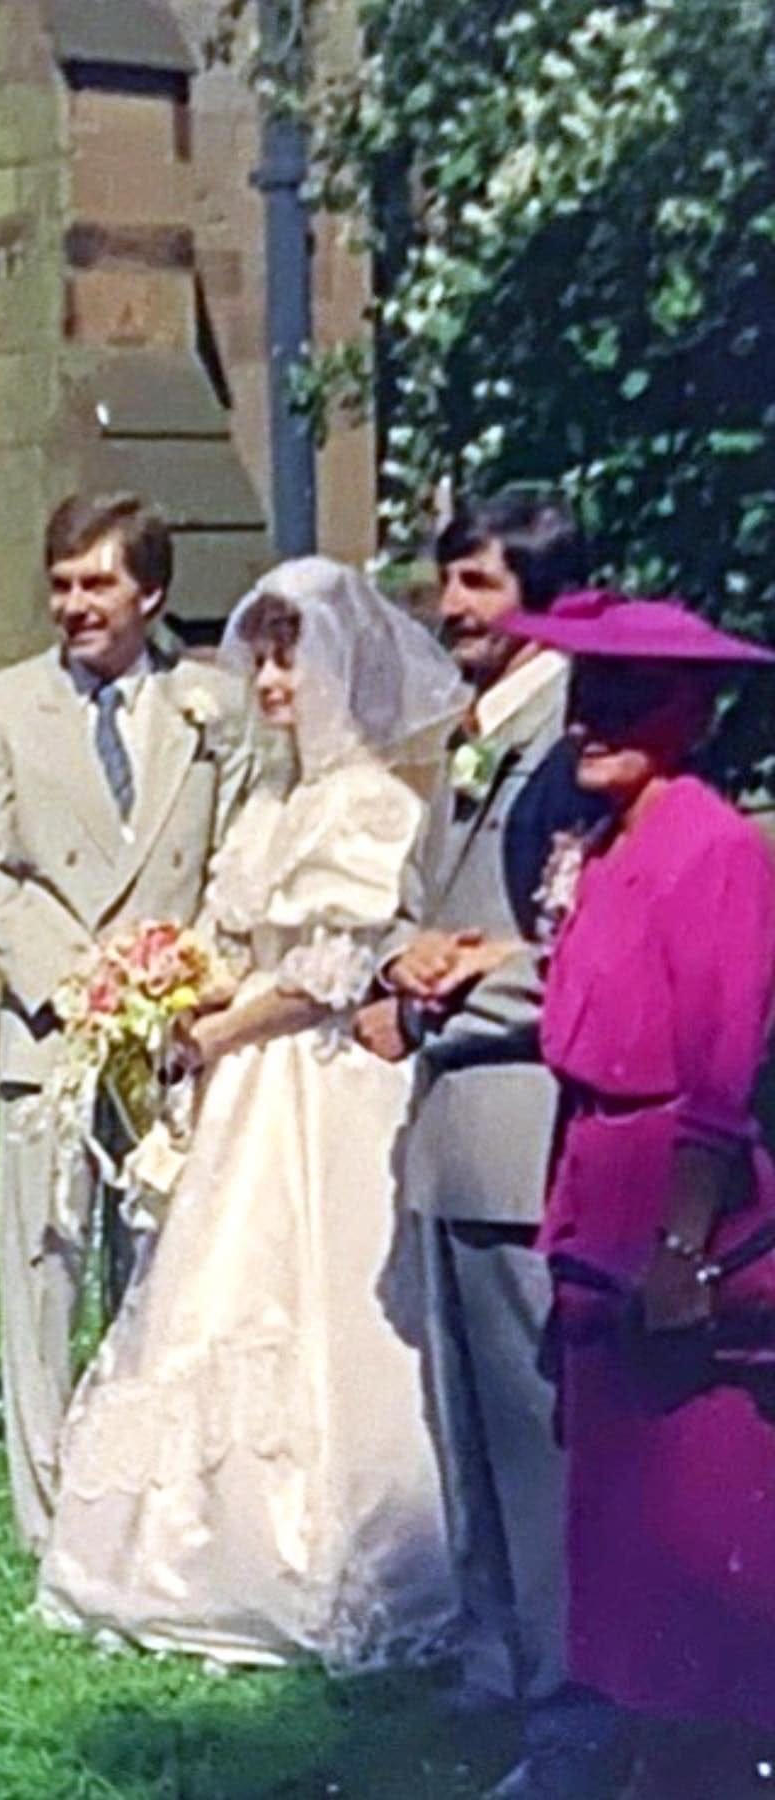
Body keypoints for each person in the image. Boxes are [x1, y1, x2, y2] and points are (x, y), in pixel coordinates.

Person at [37, 557, 466, 1666]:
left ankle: (332, 1562)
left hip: (321, 1082)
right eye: (262, 655)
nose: (272, 679)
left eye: (291, 654)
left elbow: (329, 969)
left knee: (314, 1301)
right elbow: (244, 946)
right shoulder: (272, 797)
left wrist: (213, 1032)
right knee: (204, 1296)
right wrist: (169, 989)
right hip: (243, 1085)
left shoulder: (372, 801)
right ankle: (182, 1553)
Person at [485, 590, 775, 1799]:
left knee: (696, 1522)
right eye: (582, 692)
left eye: (626, 697)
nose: (590, 720)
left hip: (672, 1202)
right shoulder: (605, 845)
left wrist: (681, 1248)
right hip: (595, 1192)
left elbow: (720, 1072)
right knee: (612, 1520)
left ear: (690, 714)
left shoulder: (714, 846)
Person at [354, 492, 609, 1792]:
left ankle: (573, 1721)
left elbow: (583, 952)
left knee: (536, 1440)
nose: (449, 609)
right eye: (447, 584)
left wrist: (454, 986)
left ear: (547, 597)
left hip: (523, 1134)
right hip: (447, 1136)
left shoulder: (576, 743)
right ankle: (499, 1667)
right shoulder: (469, 735)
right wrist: (400, 963)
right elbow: (416, 914)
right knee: (468, 1426)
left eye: (476, 585)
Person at [0, 493, 254, 1553]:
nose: (74, 605)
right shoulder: (0, 707)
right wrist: (84, 985)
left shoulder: (216, 708)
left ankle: (146, 1499)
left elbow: (238, 863)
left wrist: (180, 982)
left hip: (171, 1041)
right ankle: (47, 1517)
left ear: (152, 594)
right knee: (44, 1273)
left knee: (159, 1268)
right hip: (56, 1038)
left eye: (97, 584)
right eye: (62, 583)